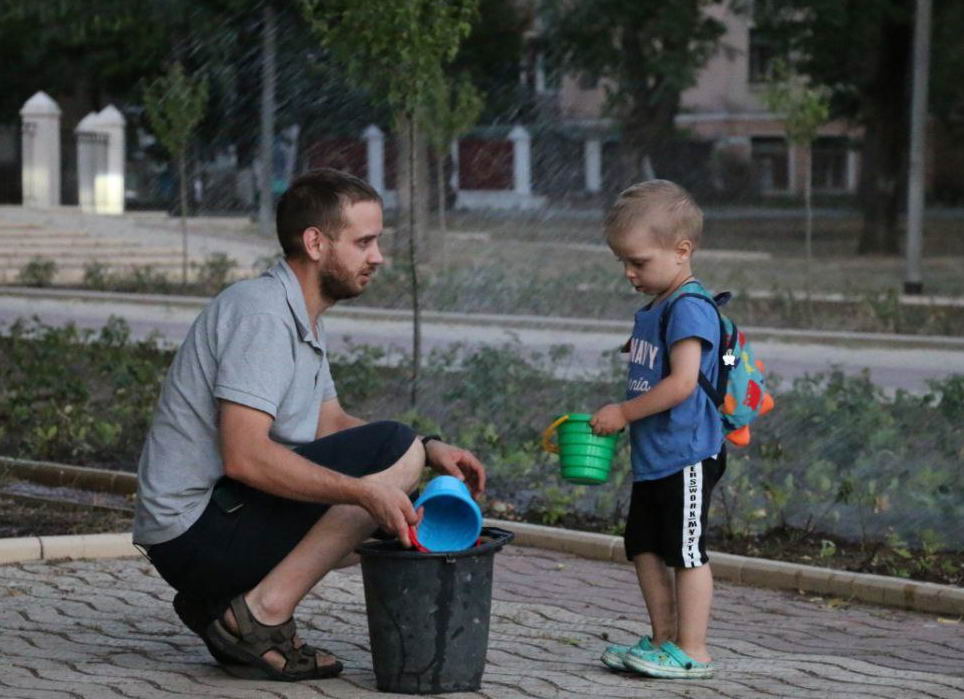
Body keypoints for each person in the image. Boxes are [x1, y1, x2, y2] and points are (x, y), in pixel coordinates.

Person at [132, 167, 486, 682]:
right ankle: (257, 618)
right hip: (193, 532)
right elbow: (244, 455)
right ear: (315, 242)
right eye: (364, 242)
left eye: (378, 242)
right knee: (389, 455)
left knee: (398, 454)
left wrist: (428, 448)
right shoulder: (262, 316)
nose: (378, 257)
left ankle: (223, 605)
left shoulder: (298, 317)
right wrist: (365, 492)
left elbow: (330, 424)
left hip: (212, 524)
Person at [591, 180, 724, 679]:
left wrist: (624, 414)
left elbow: (685, 383)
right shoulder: (656, 308)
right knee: (644, 545)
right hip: (656, 455)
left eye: (639, 262)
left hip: (687, 453)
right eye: (622, 262)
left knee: (686, 550)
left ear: (682, 250)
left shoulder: (688, 306)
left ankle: (694, 649)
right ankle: (663, 639)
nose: (629, 272)